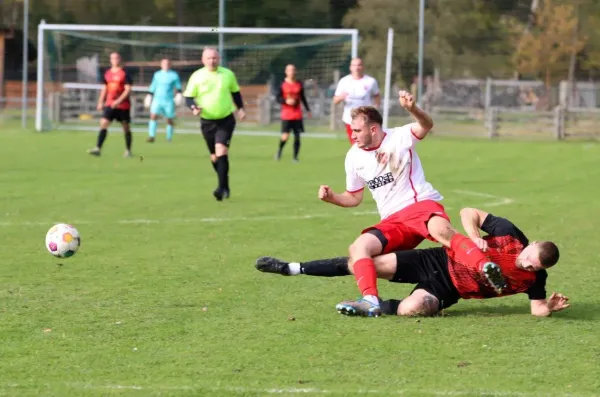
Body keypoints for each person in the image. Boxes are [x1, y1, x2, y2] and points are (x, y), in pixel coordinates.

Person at [313, 95, 496, 317]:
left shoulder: (399, 136)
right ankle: (370, 300)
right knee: (358, 248)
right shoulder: (353, 157)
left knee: (442, 231)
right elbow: (354, 197)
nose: (352, 135)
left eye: (357, 130)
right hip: (393, 220)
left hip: (419, 205)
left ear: (373, 129)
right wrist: (332, 197)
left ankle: (484, 266)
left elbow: (427, 125)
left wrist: (413, 108)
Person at [256, 207, 569, 318]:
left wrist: (549, 307)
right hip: (435, 259)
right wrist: (473, 236)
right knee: (363, 262)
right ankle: (290, 267)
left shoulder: (533, 281)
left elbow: (537, 309)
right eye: (528, 257)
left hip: (448, 289)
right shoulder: (511, 235)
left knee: (412, 310)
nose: (525, 264)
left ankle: (375, 307)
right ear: (532, 244)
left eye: (532, 267)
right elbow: (467, 212)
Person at [183, 48, 246, 201]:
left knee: (221, 150)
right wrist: (194, 108)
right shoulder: (197, 76)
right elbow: (189, 97)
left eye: (215, 58)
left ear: (219, 59)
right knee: (214, 157)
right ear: (203, 60)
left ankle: (220, 189)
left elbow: (235, 93)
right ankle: (225, 185)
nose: (212, 61)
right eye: (209, 58)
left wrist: (241, 109)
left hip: (225, 119)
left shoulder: (227, 75)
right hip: (207, 121)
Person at [88, 52, 133, 158]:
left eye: (116, 58)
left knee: (125, 127)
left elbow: (127, 90)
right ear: (110, 60)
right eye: (112, 58)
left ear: (120, 59)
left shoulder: (124, 73)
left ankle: (128, 150)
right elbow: (105, 88)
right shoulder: (107, 73)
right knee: (103, 123)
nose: (115, 60)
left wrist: (118, 101)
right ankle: (98, 148)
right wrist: (100, 101)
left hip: (123, 106)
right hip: (109, 104)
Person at [333, 58, 380, 144]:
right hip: (350, 119)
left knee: (369, 143)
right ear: (350, 67)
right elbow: (335, 100)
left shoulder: (370, 81)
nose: (357, 67)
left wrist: (376, 107)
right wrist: (341, 97)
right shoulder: (344, 81)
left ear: (363, 67)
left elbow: (376, 95)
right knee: (356, 145)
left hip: (366, 118)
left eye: (359, 65)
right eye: (354, 65)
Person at [275, 64, 311, 162]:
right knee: (285, 136)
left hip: (297, 114)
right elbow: (277, 98)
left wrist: (308, 110)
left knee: (297, 136)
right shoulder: (282, 84)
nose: (291, 72)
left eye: (293, 70)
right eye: (289, 70)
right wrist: (286, 101)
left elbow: (303, 97)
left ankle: (295, 158)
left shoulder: (299, 84)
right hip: (286, 115)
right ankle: (280, 150)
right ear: (286, 72)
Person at [145, 58, 183, 143]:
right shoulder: (157, 74)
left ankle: (169, 137)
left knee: (169, 119)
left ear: (170, 65)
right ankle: (151, 136)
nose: (166, 65)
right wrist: (149, 95)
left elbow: (178, 86)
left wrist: (179, 95)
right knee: (153, 116)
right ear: (161, 64)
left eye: (167, 63)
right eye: (164, 63)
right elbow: (153, 85)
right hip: (157, 99)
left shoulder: (174, 75)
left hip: (168, 100)